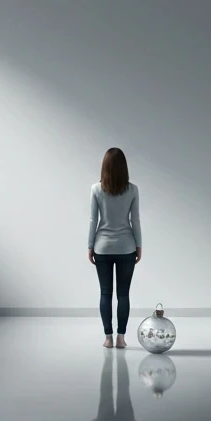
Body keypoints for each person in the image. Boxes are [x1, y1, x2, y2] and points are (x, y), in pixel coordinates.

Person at [88, 147, 142, 348]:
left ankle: (108, 338)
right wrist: (139, 245)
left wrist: (90, 246)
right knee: (123, 294)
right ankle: (121, 338)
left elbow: (93, 220)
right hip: (126, 246)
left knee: (105, 293)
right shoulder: (133, 190)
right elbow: (135, 220)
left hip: (102, 247)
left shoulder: (96, 189)